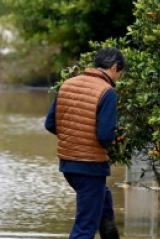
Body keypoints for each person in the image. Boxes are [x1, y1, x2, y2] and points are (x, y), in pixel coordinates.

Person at [44, 47, 126, 239]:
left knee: (104, 201)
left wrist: (74, 139)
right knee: (85, 227)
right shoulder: (107, 92)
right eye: (120, 73)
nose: (119, 78)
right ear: (115, 67)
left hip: (68, 165)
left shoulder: (68, 84)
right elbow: (105, 135)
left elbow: (50, 123)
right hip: (90, 166)